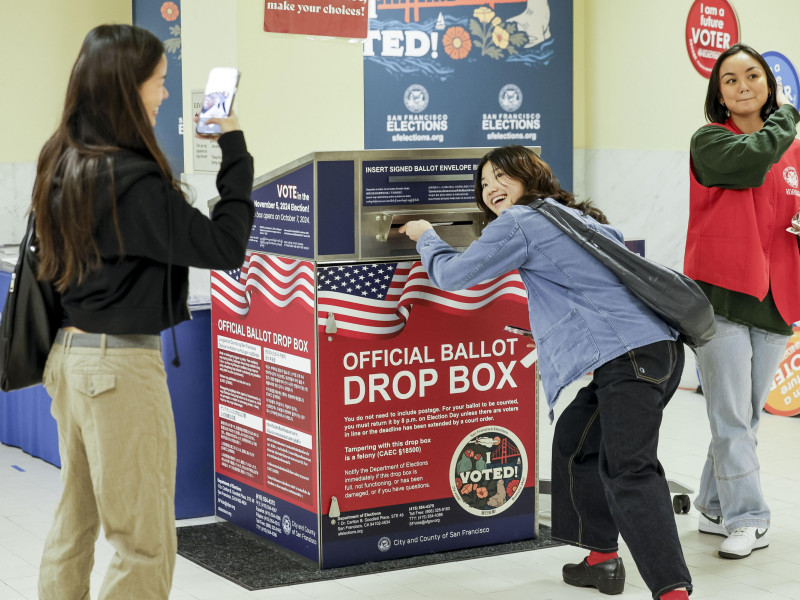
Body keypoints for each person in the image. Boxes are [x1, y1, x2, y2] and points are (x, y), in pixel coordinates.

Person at [400, 146, 692, 599]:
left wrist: (425, 235)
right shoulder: (573, 216)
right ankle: (601, 559)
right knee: (576, 439)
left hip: (629, 357)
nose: (490, 188)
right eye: (483, 183)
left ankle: (673, 591)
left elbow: (454, 275)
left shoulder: (522, 221)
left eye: (501, 176)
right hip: (656, 352)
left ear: (527, 175)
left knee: (630, 471)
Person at [32, 25, 254, 599]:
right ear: (126, 89)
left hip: (69, 358)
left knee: (74, 524)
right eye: (158, 84)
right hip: (119, 369)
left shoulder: (63, 159)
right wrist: (233, 145)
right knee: (145, 541)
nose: (163, 96)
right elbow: (223, 245)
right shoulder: (132, 179)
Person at [684, 43, 800, 559]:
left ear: (768, 83)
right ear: (720, 94)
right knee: (731, 416)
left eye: (753, 75)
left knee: (744, 415)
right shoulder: (710, 141)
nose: (744, 84)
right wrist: (789, 116)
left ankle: (712, 505)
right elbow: (753, 164)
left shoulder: (794, 150)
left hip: (776, 300)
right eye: (731, 79)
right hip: (722, 298)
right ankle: (750, 519)